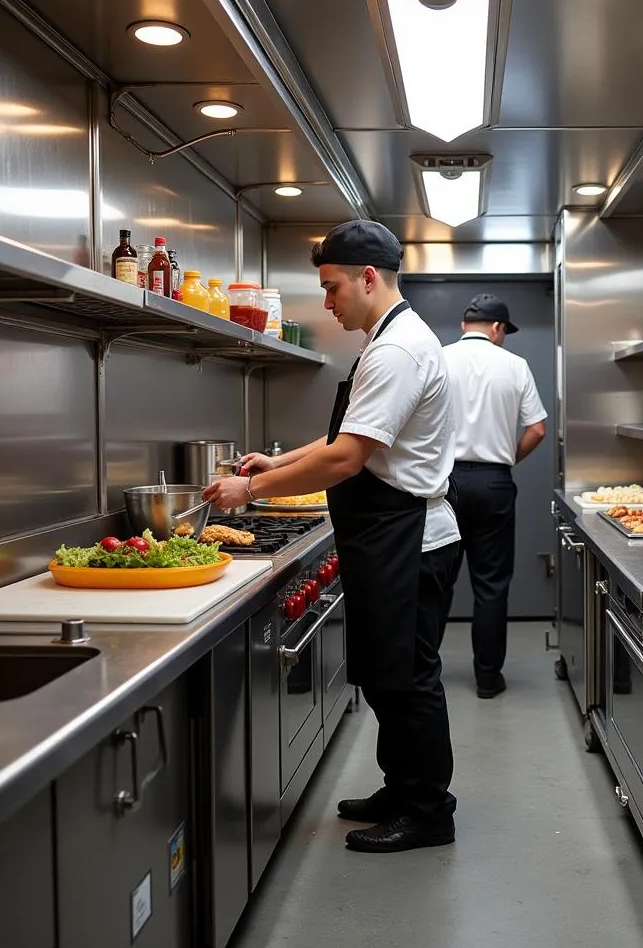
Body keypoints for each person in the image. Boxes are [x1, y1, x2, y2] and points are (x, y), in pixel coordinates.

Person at [202, 220, 461, 854]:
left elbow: (348, 459)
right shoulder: (387, 340)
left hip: (410, 537)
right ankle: (400, 788)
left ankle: (428, 811)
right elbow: (353, 435)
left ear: (368, 278)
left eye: (332, 286)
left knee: (407, 680)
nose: (327, 301)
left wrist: (250, 492)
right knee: (384, 677)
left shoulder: (398, 350)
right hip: (389, 535)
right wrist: (279, 462)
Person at [441, 293, 547, 699]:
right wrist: (504, 461)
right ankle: (487, 679)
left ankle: (424, 674)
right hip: (494, 483)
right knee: (491, 586)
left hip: (443, 485)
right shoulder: (515, 365)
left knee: (436, 581)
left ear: (466, 324)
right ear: (498, 328)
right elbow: (536, 428)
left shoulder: (440, 357)